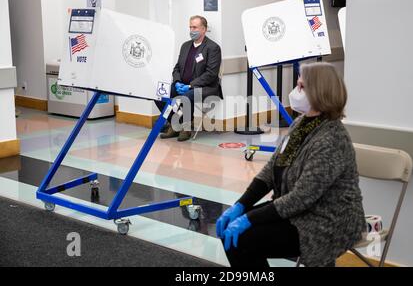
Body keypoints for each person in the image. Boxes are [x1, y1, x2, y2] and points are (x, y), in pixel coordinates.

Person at [216, 62, 366, 267]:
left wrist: (248, 219)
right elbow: (271, 169)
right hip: (299, 210)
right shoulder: (301, 123)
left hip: (328, 219)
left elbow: (302, 197)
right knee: (231, 234)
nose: (296, 92)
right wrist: (241, 205)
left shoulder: (331, 139)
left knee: (242, 239)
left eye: (302, 87)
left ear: (320, 92)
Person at [155, 15, 223, 142]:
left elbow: (211, 74)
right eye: (190, 27)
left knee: (187, 96)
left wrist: (190, 85)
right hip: (182, 84)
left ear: (204, 29)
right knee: (159, 94)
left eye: (195, 27)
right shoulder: (185, 46)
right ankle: (175, 125)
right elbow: (177, 68)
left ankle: (186, 128)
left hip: (206, 87)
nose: (192, 30)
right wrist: (176, 82)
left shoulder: (213, 48)